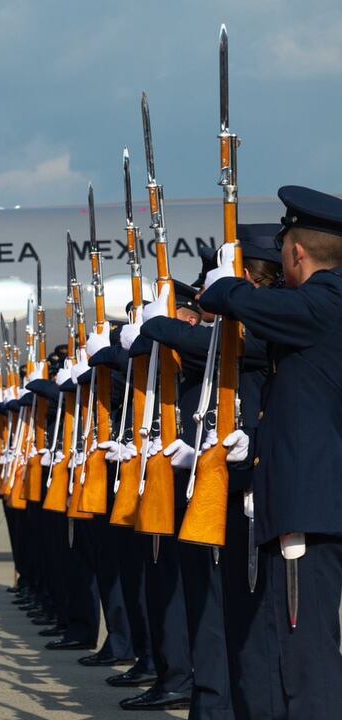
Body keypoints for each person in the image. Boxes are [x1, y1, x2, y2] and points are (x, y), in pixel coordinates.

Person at [199, 186, 342, 718]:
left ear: (296, 252)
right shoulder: (318, 309)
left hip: (309, 508)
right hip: (305, 504)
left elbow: (244, 303)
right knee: (294, 650)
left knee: (308, 661)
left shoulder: (325, 301)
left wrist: (225, 284)